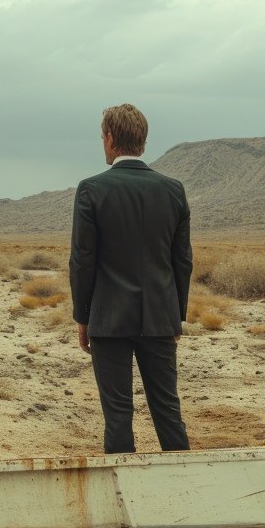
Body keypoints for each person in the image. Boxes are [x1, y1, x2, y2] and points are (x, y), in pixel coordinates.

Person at [69, 103, 192, 454]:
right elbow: (182, 261)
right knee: (168, 411)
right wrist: (175, 318)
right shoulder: (173, 190)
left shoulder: (91, 189)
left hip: (108, 320)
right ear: (143, 140)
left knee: (118, 416)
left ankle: (122, 498)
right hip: (159, 318)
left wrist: (83, 316)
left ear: (109, 139)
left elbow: (82, 260)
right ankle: (187, 490)